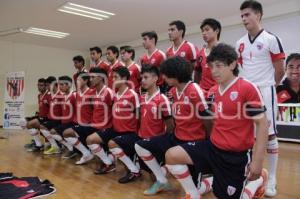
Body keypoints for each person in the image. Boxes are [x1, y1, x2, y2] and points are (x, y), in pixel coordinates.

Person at [165, 43, 268, 199]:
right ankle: (193, 194)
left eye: (218, 66)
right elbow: (212, 120)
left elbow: (262, 124)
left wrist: (258, 162)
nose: (213, 71)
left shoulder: (247, 88)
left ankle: (257, 181)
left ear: (233, 64)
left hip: (235, 156)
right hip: (212, 148)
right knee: (171, 156)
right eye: (211, 66)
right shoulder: (212, 91)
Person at [135, 56, 209, 195]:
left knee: (197, 188)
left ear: (175, 74)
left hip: (194, 141)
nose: (163, 77)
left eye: (166, 74)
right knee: (140, 145)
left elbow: (207, 119)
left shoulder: (194, 90)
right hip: (176, 137)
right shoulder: (173, 92)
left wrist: (208, 141)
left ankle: (210, 182)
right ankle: (162, 180)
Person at [236, 1, 285, 196]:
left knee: (270, 134)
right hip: (246, 93)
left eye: (247, 15)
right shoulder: (239, 42)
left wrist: (268, 87)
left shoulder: (271, 39)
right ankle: (253, 175)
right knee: (248, 136)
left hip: (266, 91)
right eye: (242, 16)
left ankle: (272, 178)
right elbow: (241, 70)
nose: (244, 19)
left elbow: (280, 69)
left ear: (258, 15)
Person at [108, 65, 174, 185]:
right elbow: (138, 119)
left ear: (155, 79)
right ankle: (137, 165)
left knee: (155, 177)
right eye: (141, 78)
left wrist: (161, 142)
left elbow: (170, 125)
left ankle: (170, 166)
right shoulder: (142, 98)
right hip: (140, 138)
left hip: (155, 141)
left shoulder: (162, 99)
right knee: (114, 143)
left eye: (146, 77)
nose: (142, 80)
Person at [63, 72, 94, 165]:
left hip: (89, 124)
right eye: (76, 80)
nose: (77, 82)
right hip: (79, 123)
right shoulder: (77, 94)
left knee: (66, 133)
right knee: (66, 133)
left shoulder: (91, 93)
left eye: (79, 80)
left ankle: (87, 153)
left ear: (86, 80)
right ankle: (86, 153)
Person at [47, 76, 78, 159]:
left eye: (62, 84)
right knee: (52, 132)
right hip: (64, 122)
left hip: (72, 123)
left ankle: (73, 149)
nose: (60, 87)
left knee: (53, 132)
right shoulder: (63, 96)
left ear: (69, 85)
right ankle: (71, 148)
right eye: (59, 84)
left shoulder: (74, 95)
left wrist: (75, 122)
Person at [194, 18, 221, 92]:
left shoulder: (223, 51)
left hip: (218, 90)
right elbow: (197, 73)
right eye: (202, 31)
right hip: (203, 91)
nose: (204, 33)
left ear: (217, 31)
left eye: (207, 30)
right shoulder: (200, 53)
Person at [24, 78, 49, 152]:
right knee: (23, 121)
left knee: (30, 124)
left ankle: (39, 144)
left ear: (45, 86)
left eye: (41, 85)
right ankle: (37, 142)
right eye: (38, 85)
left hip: (47, 118)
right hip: (40, 117)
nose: (39, 87)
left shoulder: (48, 95)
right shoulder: (39, 95)